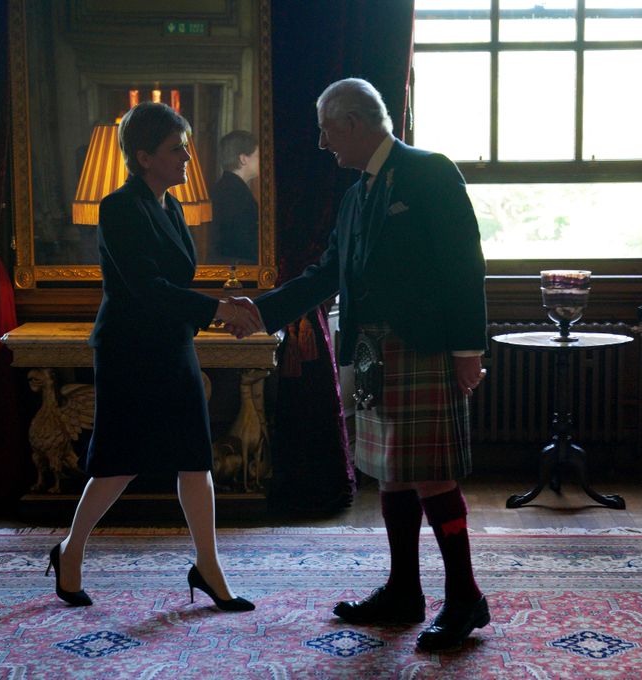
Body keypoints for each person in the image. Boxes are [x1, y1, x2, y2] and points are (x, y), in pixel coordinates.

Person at [229, 78, 490, 651]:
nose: (322, 143)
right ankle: (403, 591)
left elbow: (464, 262)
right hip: (373, 353)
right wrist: (261, 309)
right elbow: (326, 274)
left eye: (325, 130)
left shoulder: (429, 172)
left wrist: (468, 350)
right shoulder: (354, 197)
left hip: (423, 346)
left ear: (351, 122)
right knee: (391, 471)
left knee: (431, 471)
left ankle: (466, 597)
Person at [46, 102, 259, 612]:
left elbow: (176, 284)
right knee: (119, 464)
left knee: (195, 458)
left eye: (184, 146)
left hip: (172, 345)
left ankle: (208, 568)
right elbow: (146, 286)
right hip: (130, 352)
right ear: (143, 157)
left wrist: (220, 309)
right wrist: (218, 309)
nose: (187, 156)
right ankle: (70, 552)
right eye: (175, 149)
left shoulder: (173, 207)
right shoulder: (118, 207)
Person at [209, 130, 260, 265]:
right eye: (257, 156)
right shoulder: (234, 192)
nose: (262, 161)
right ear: (243, 159)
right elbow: (242, 242)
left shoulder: (228, 187)